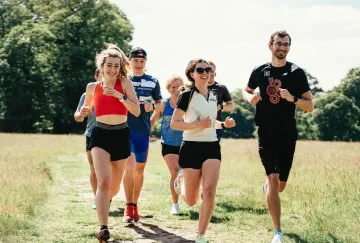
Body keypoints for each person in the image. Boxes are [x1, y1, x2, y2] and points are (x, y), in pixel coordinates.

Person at [242, 30, 314, 243]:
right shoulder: (259, 70)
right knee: (273, 179)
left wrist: (293, 99)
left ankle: (270, 188)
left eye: (286, 44)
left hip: (288, 134)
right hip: (265, 132)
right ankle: (277, 232)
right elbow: (245, 91)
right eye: (279, 44)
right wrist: (250, 98)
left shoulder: (297, 73)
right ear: (270, 45)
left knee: (280, 184)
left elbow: (310, 106)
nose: (282, 48)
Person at [171, 58, 236, 243]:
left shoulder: (215, 95)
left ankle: (200, 235)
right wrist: (197, 124)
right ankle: (181, 179)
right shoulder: (187, 96)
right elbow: (174, 124)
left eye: (207, 69)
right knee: (191, 201)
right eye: (200, 70)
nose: (205, 72)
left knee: (209, 191)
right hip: (191, 147)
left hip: (212, 146)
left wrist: (224, 124)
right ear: (192, 74)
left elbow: (212, 122)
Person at [80, 43, 140, 242]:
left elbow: (136, 111)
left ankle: (107, 199)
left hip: (121, 134)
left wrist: (120, 96)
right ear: (102, 66)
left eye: (116, 65)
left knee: (113, 188)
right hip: (100, 135)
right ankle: (103, 227)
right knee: (103, 181)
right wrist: (83, 112)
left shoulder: (125, 83)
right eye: (109, 65)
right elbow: (79, 115)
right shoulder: (92, 87)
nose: (113, 69)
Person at [123, 47, 162, 223]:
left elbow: (159, 103)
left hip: (143, 132)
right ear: (129, 61)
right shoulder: (123, 80)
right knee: (129, 168)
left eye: (142, 61)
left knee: (139, 171)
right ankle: (127, 206)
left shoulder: (153, 81)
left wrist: (152, 108)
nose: (138, 64)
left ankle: (135, 205)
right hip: (124, 130)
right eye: (135, 61)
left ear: (145, 63)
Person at [150, 75, 184, 215]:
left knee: (185, 173)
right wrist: (148, 132)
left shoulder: (187, 104)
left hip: (185, 143)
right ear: (168, 89)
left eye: (179, 87)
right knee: (175, 172)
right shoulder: (164, 104)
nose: (176, 90)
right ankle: (175, 205)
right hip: (168, 144)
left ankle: (188, 196)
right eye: (173, 87)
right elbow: (152, 120)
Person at [74, 68, 100, 210]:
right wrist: (82, 113)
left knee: (109, 169)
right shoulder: (87, 94)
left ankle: (106, 196)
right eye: (100, 74)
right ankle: (97, 198)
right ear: (95, 76)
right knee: (94, 169)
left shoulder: (115, 93)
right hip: (91, 134)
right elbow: (77, 117)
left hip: (111, 134)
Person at [207, 61, 234, 141]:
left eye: (212, 71)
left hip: (216, 126)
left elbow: (231, 106)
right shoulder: (196, 87)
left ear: (215, 74)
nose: (209, 73)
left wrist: (221, 107)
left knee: (213, 152)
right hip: (198, 125)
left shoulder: (221, 88)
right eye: (207, 70)